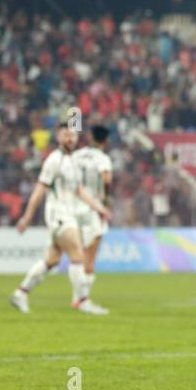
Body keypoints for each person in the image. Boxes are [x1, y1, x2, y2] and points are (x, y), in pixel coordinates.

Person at [10, 122, 111, 315]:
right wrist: (27, 217)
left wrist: (100, 209)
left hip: (68, 214)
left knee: (52, 260)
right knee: (77, 255)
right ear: (58, 137)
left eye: (72, 135)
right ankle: (82, 301)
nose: (70, 138)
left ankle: (20, 293)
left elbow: (79, 191)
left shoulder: (73, 160)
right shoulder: (54, 160)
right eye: (65, 135)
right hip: (58, 214)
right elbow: (40, 189)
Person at [72, 126, 113, 309]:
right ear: (106, 141)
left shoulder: (77, 155)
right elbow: (106, 181)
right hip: (93, 207)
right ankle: (83, 300)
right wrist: (105, 205)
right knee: (90, 257)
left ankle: (76, 298)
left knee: (77, 256)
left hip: (74, 206)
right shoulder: (103, 159)